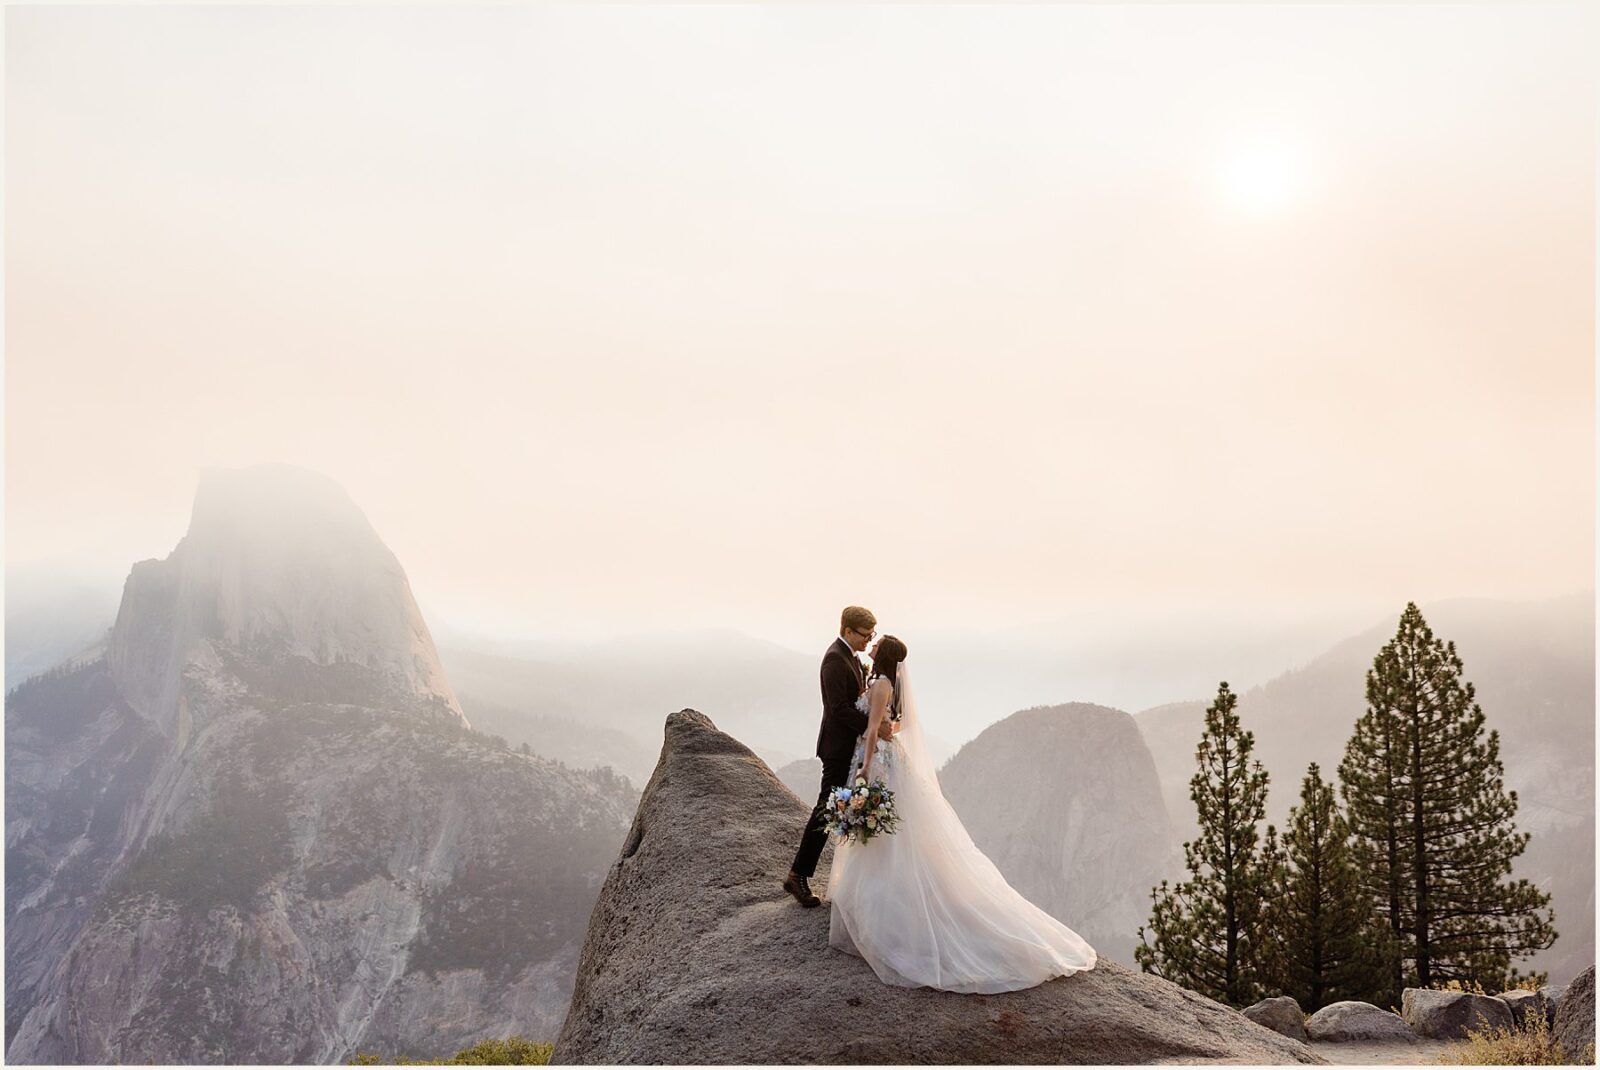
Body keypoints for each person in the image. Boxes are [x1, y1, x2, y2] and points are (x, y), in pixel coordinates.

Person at [826, 635, 1099, 993]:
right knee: (893, 835)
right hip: (891, 762)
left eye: (877, 645)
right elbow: (900, 722)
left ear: (884, 655)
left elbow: (874, 727)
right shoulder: (890, 684)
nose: (872, 646)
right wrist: (890, 734)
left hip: (877, 764)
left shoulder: (879, 684)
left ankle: (883, 915)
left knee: (884, 837)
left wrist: (864, 767)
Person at [783, 605, 894, 908]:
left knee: (835, 811)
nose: (868, 641)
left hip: (851, 748)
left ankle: (852, 879)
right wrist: (874, 728)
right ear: (847, 630)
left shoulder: (853, 659)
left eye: (872, 636)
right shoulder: (834, 659)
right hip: (837, 748)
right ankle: (797, 875)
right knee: (825, 810)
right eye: (865, 635)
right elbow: (837, 708)